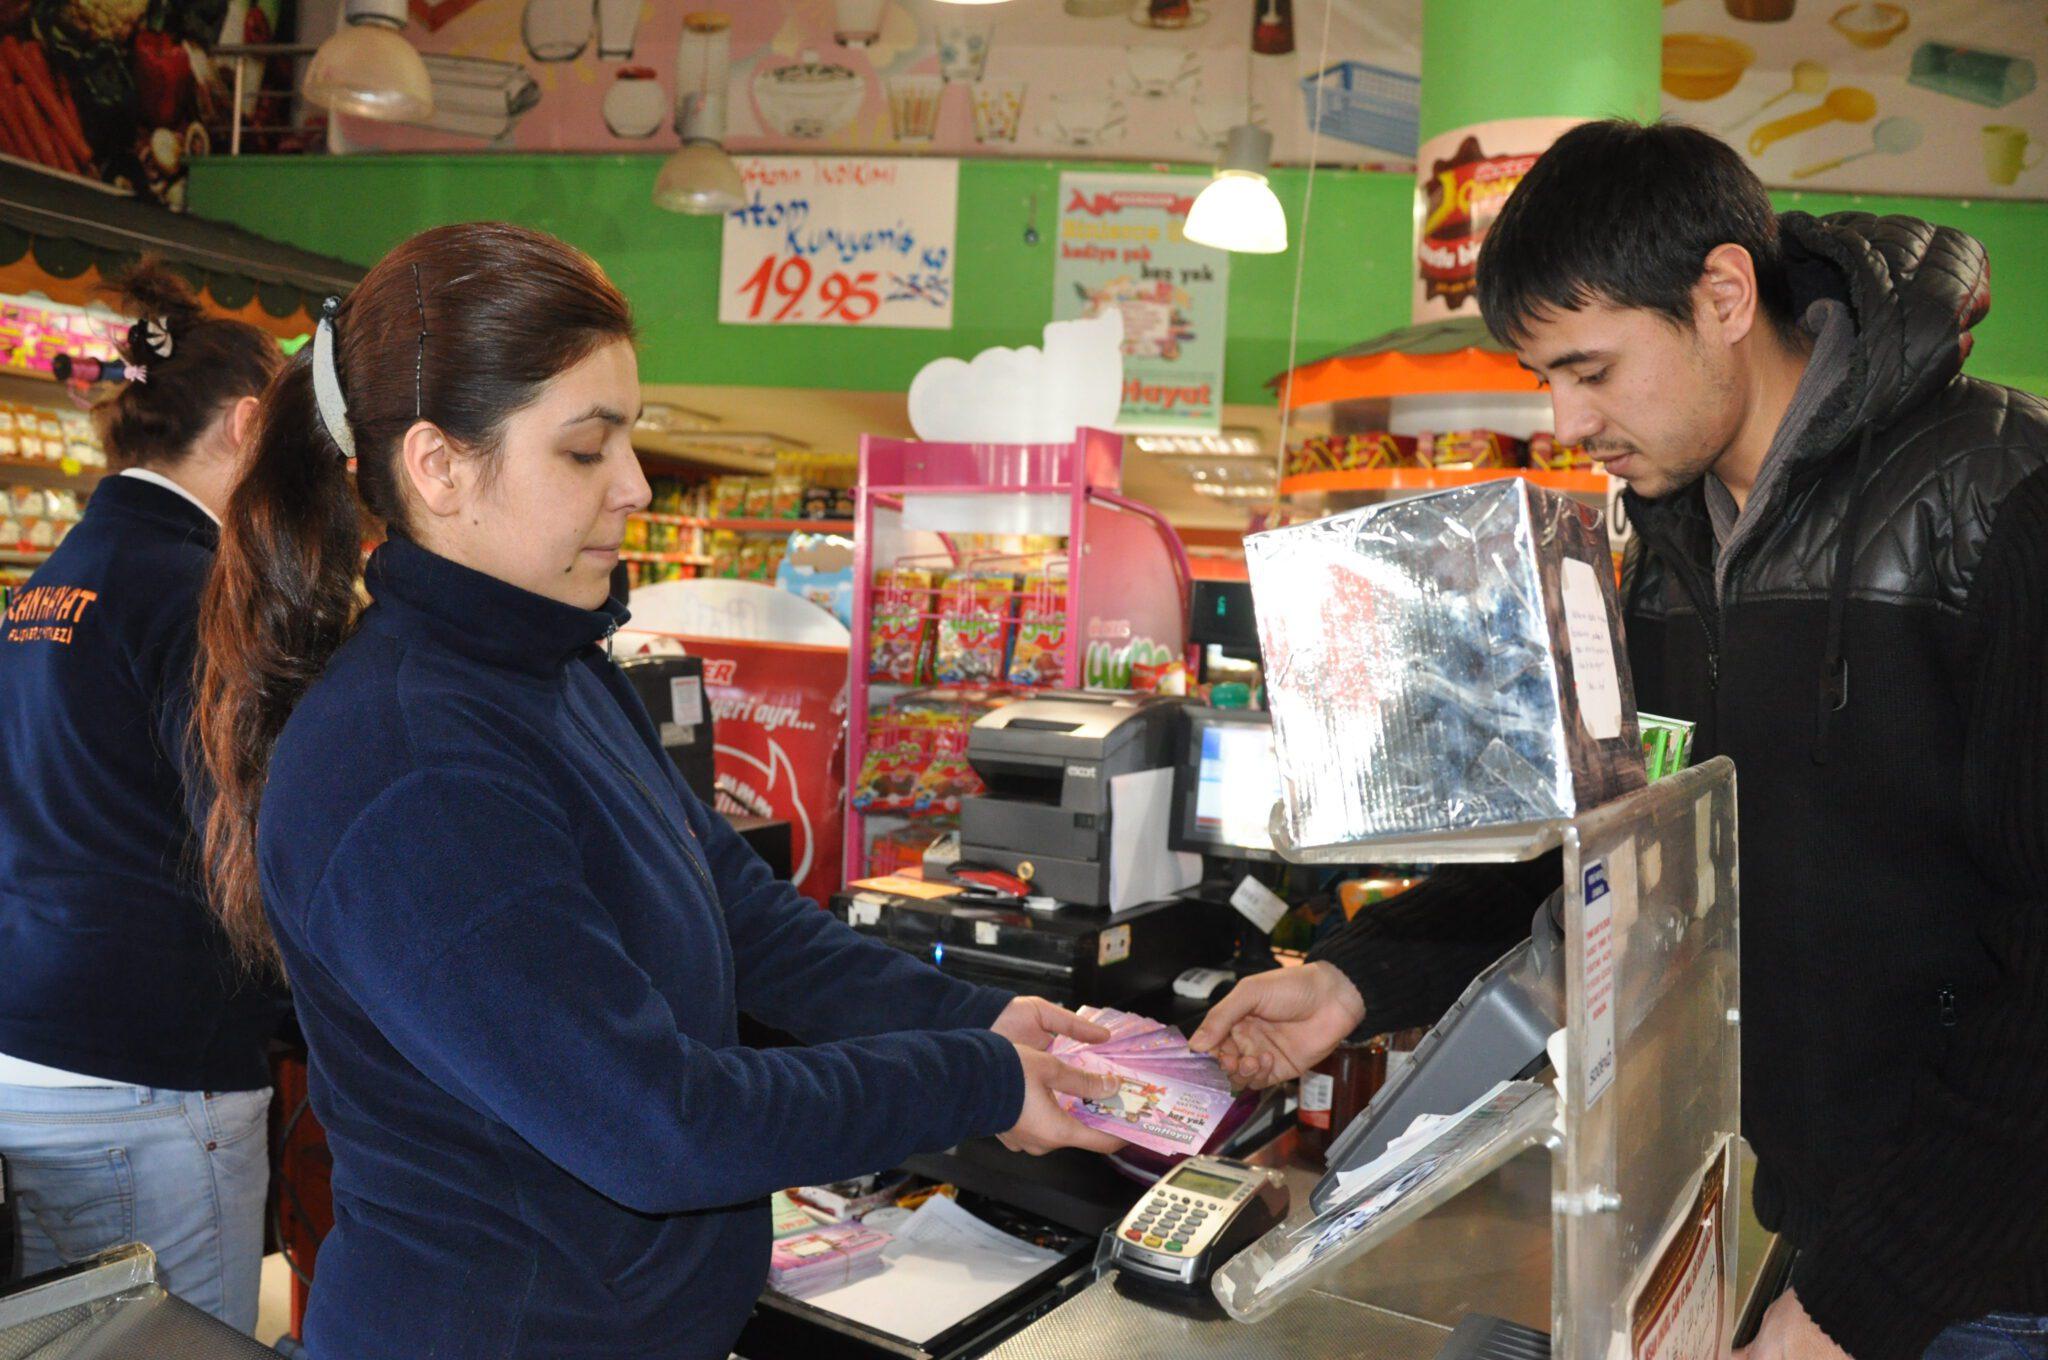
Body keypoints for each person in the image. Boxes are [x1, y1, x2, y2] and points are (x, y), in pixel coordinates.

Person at [1192, 120, 2048, 1360]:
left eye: (1589, 368)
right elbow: (1594, 851)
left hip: (1993, 1274)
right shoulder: (1660, 556)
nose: (1563, 416)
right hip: (1816, 1230)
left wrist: (1853, 1310)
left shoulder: (2001, 501)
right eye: (1543, 375)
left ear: (1719, 294)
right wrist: (1354, 978)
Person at [192, 222, 1124, 1360]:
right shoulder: (410, 762)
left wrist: (977, 1016)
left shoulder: (555, 668)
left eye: (628, 439)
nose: (632, 485)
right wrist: (970, 1077)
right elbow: (655, 1121)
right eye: (585, 450)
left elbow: (747, 917)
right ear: (437, 465)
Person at [0, 263, 284, 1328]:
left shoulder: (56, 576)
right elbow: (255, 829)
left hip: (36, 1048)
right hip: (150, 1074)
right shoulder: (198, 587)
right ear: (251, 425)